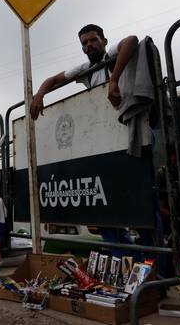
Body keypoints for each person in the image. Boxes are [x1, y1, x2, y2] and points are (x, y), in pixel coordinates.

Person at [30, 24, 161, 260]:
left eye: (93, 40)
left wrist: (114, 80)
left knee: (142, 206)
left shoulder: (110, 57)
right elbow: (54, 79)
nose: (89, 45)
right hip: (108, 145)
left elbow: (131, 40)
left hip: (134, 135)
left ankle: (160, 267)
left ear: (103, 40)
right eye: (84, 43)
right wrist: (39, 94)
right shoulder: (87, 69)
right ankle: (129, 265)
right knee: (105, 214)